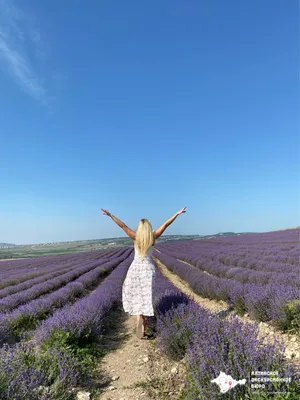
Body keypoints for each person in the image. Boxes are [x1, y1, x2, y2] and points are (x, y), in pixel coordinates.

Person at [101, 206, 187, 339]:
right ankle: (143, 332)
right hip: (148, 270)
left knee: (137, 300)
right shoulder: (152, 238)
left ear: (140, 228)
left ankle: (139, 332)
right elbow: (166, 224)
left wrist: (110, 215)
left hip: (135, 269)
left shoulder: (135, 237)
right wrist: (176, 214)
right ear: (149, 228)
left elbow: (122, 226)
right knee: (145, 300)